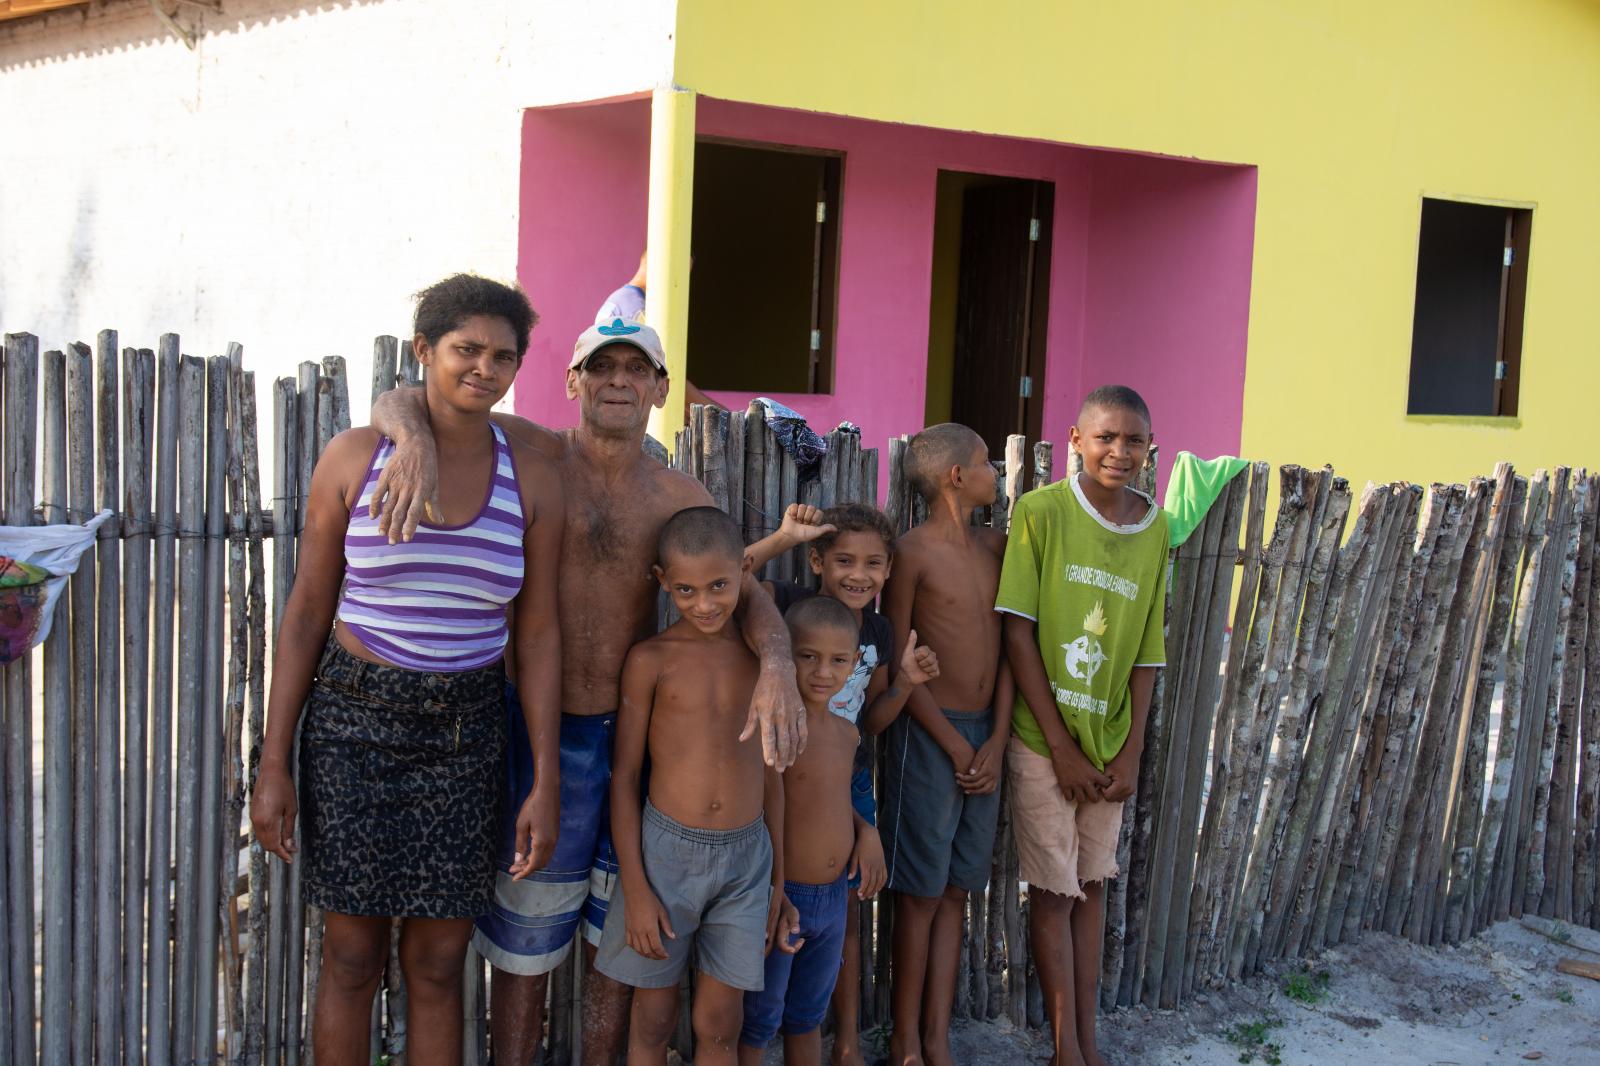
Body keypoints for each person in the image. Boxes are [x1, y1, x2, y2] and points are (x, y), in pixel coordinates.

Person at [366, 318, 805, 1066]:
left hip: (636, 737)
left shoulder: (677, 493)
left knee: (625, 931)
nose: (620, 381)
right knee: (527, 928)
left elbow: (745, 585)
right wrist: (411, 443)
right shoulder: (531, 455)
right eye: (602, 367)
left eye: (639, 369)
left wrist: (777, 663)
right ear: (573, 380)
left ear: (661, 389)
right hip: (537, 727)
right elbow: (402, 399)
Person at [250, 275, 564, 1066]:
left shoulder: (531, 476)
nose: (484, 369)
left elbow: (538, 635)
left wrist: (546, 776)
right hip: (355, 725)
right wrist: (273, 760)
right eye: (465, 349)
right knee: (352, 958)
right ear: (424, 350)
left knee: (435, 963)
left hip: (467, 736)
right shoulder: (356, 457)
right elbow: (305, 615)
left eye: (503, 356)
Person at [996, 385, 1167, 1066]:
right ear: (1074, 439)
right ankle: (1065, 1050)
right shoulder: (1041, 513)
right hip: (1044, 741)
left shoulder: (1155, 529)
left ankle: (1088, 1045)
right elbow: (1017, 632)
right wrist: (1060, 747)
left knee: (1093, 887)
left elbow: (1149, 652)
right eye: (1106, 438)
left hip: (1107, 745)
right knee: (1054, 892)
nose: (1119, 452)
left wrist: (1129, 753)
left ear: (1151, 449)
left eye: (1134, 441)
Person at [744, 501, 940, 1066]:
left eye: (874, 563)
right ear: (817, 561)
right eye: (845, 560)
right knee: (764, 1006)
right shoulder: (787, 605)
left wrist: (903, 684)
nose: (860, 574)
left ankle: (848, 1039)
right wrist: (782, 537)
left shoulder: (875, 630)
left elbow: (870, 722)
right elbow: (731, 574)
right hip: (789, 766)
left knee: (843, 918)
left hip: (847, 776)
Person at [595, 507, 788, 1066]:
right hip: (664, 858)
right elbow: (626, 777)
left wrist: (776, 881)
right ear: (662, 582)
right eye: (685, 590)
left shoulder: (759, 660)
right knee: (652, 1021)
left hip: (746, 858)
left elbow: (773, 777)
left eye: (720, 586)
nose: (704, 604)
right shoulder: (650, 661)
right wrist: (635, 889)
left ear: (744, 571)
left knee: (719, 1024)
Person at [876, 423, 1012, 1066]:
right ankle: (905, 1038)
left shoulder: (998, 547)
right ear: (957, 476)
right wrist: (956, 748)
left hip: (987, 739)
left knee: (957, 891)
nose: (997, 474)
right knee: (921, 891)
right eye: (988, 463)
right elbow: (899, 658)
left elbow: (1017, 648)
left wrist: (997, 740)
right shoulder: (913, 553)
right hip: (929, 738)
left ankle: (937, 1036)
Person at [738, 596, 888, 1066]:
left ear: (854, 663)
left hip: (834, 900)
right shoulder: (780, 729)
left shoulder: (848, 734)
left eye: (838, 660)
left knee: (807, 1016)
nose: (824, 672)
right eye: (808, 657)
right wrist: (776, 890)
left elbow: (832, 803)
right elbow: (770, 812)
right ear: (787, 658)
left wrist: (867, 831)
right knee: (761, 1018)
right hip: (786, 898)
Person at [595, 249, 720, 414]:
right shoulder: (637, 312)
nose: (680, 283)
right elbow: (666, 380)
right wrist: (723, 416)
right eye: (678, 273)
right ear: (654, 264)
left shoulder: (622, 300)